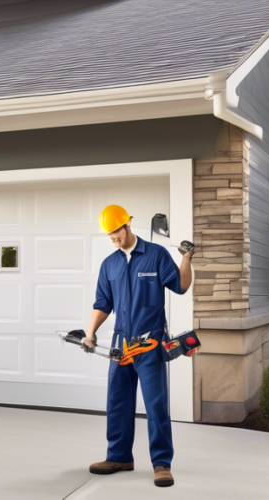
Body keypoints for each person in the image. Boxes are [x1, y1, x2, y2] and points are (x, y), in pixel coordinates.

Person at [83, 205, 195, 488]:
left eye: (116, 231)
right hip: (120, 343)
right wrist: (90, 333)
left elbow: (181, 286)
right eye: (109, 234)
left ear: (127, 225)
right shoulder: (109, 264)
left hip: (149, 341)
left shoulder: (156, 254)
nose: (113, 238)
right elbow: (102, 304)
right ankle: (119, 457)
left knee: (156, 404)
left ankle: (162, 464)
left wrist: (186, 258)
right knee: (117, 402)